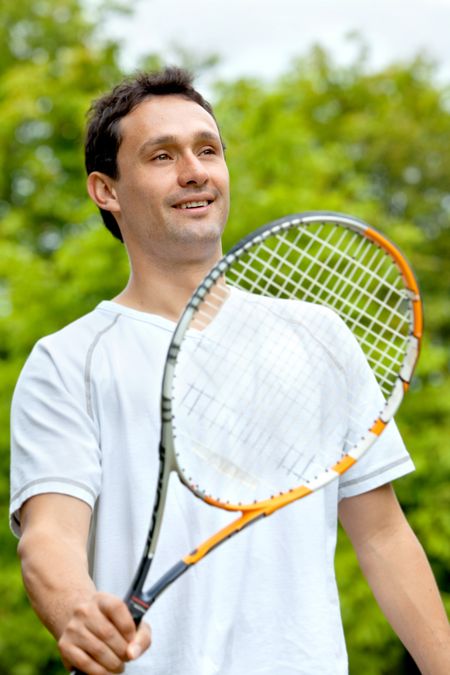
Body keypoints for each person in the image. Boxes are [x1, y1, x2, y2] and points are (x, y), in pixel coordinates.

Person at [9, 67, 450, 675]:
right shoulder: (68, 360)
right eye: (161, 155)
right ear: (105, 190)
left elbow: (382, 537)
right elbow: (48, 536)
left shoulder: (318, 336)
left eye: (207, 150)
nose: (194, 170)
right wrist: (76, 609)